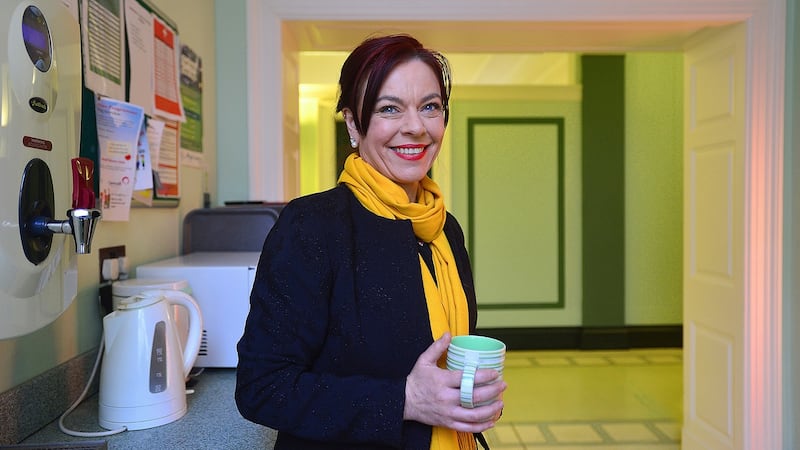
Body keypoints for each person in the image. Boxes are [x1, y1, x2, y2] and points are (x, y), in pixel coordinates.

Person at [235, 34, 507, 450]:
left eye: (430, 107)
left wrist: (470, 400)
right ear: (353, 125)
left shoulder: (445, 229)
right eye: (389, 108)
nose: (415, 126)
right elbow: (262, 387)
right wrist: (406, 400)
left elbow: (447, 358)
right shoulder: (312, 227)